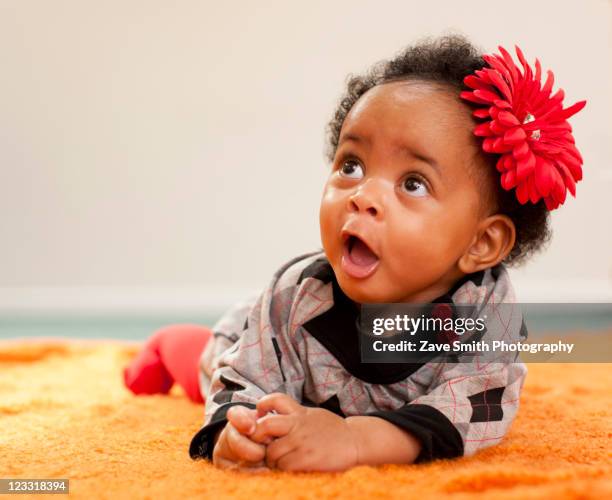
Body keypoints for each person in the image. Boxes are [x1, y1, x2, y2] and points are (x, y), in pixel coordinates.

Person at [123, 34, 586, 472]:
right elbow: (242, 377)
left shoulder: (488, 316)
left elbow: (479, 407)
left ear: (481, 243)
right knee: (207, 361)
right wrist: (236, 430)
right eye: (352, 165)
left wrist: (356, 439)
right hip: (256, 339)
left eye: (413, 183)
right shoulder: (296, 296)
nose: (363, 194)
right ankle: (168, 346)